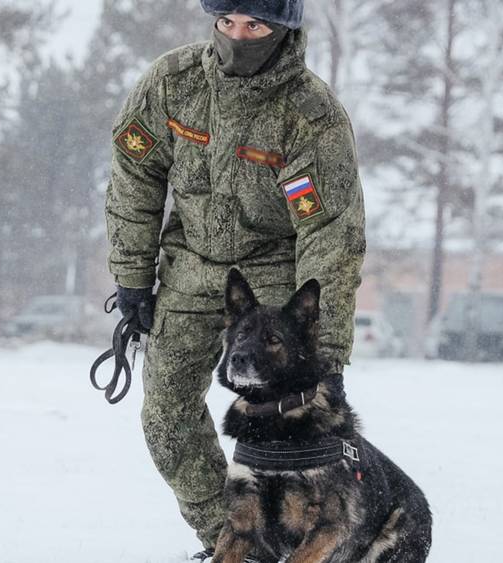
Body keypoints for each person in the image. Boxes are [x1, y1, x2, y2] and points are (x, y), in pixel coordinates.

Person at [104, 0, 366, 559]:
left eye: (255, 26)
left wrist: (328, 352)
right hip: (189, 269)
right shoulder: (172, 83)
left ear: (284, 30)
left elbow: (329, 235)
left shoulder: (311, 115)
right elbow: (135, 175)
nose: (238, 36)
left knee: (283, 426)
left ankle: (305, 538)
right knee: (166, 418)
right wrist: (132, 276)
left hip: (272, 277)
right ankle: (231, 546)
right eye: (227, 23)